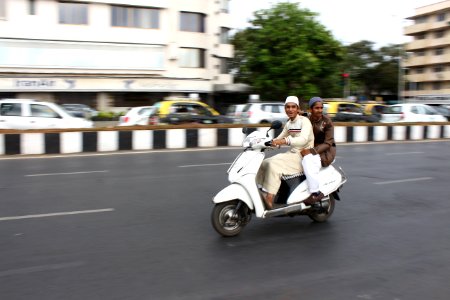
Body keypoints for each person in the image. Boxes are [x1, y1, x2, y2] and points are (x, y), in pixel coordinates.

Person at [256, 96, 314, 210]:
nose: (290, 109)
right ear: (285, 109)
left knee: (274, 166)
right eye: (288, 107)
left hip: (304, 156)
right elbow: (279, 138)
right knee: (264, 162)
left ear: (298, 109)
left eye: (293, 107)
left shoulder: (304, 121)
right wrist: (265, 144)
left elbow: (303, 139)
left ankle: (270, 197)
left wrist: (284, 141)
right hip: (292, 153)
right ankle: (261, 190)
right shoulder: (289, 124)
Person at [301, 97, 336, 205]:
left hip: (325, 152)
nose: (320, 110)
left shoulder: (327, 122)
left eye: (321, 108)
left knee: (307, 160)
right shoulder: (307, 118)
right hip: (310, 148)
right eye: (317, 108)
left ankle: (316, 193)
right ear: (311, 109)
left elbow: (328, 143)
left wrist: (311, 151)